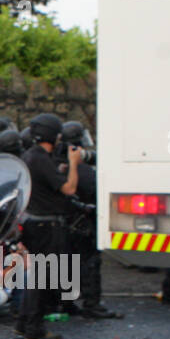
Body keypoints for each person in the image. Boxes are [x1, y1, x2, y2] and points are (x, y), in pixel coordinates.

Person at [15, 113, 84, 339]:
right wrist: (74, 164)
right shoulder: (40, 159)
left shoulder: (29, 156)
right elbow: (69, 189)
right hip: (46, 225)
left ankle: (24, 323)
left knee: (36, 276)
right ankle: (34, 328)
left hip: (34, 222)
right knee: (41, 279)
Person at [59, 120, 121, 319]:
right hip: (83, 223)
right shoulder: (82, 169)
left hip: (64, 223)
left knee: (66, 262)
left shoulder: (54, 163)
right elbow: (95, 194)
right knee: (90, 263)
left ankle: (66, 302)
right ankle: (92, 304)